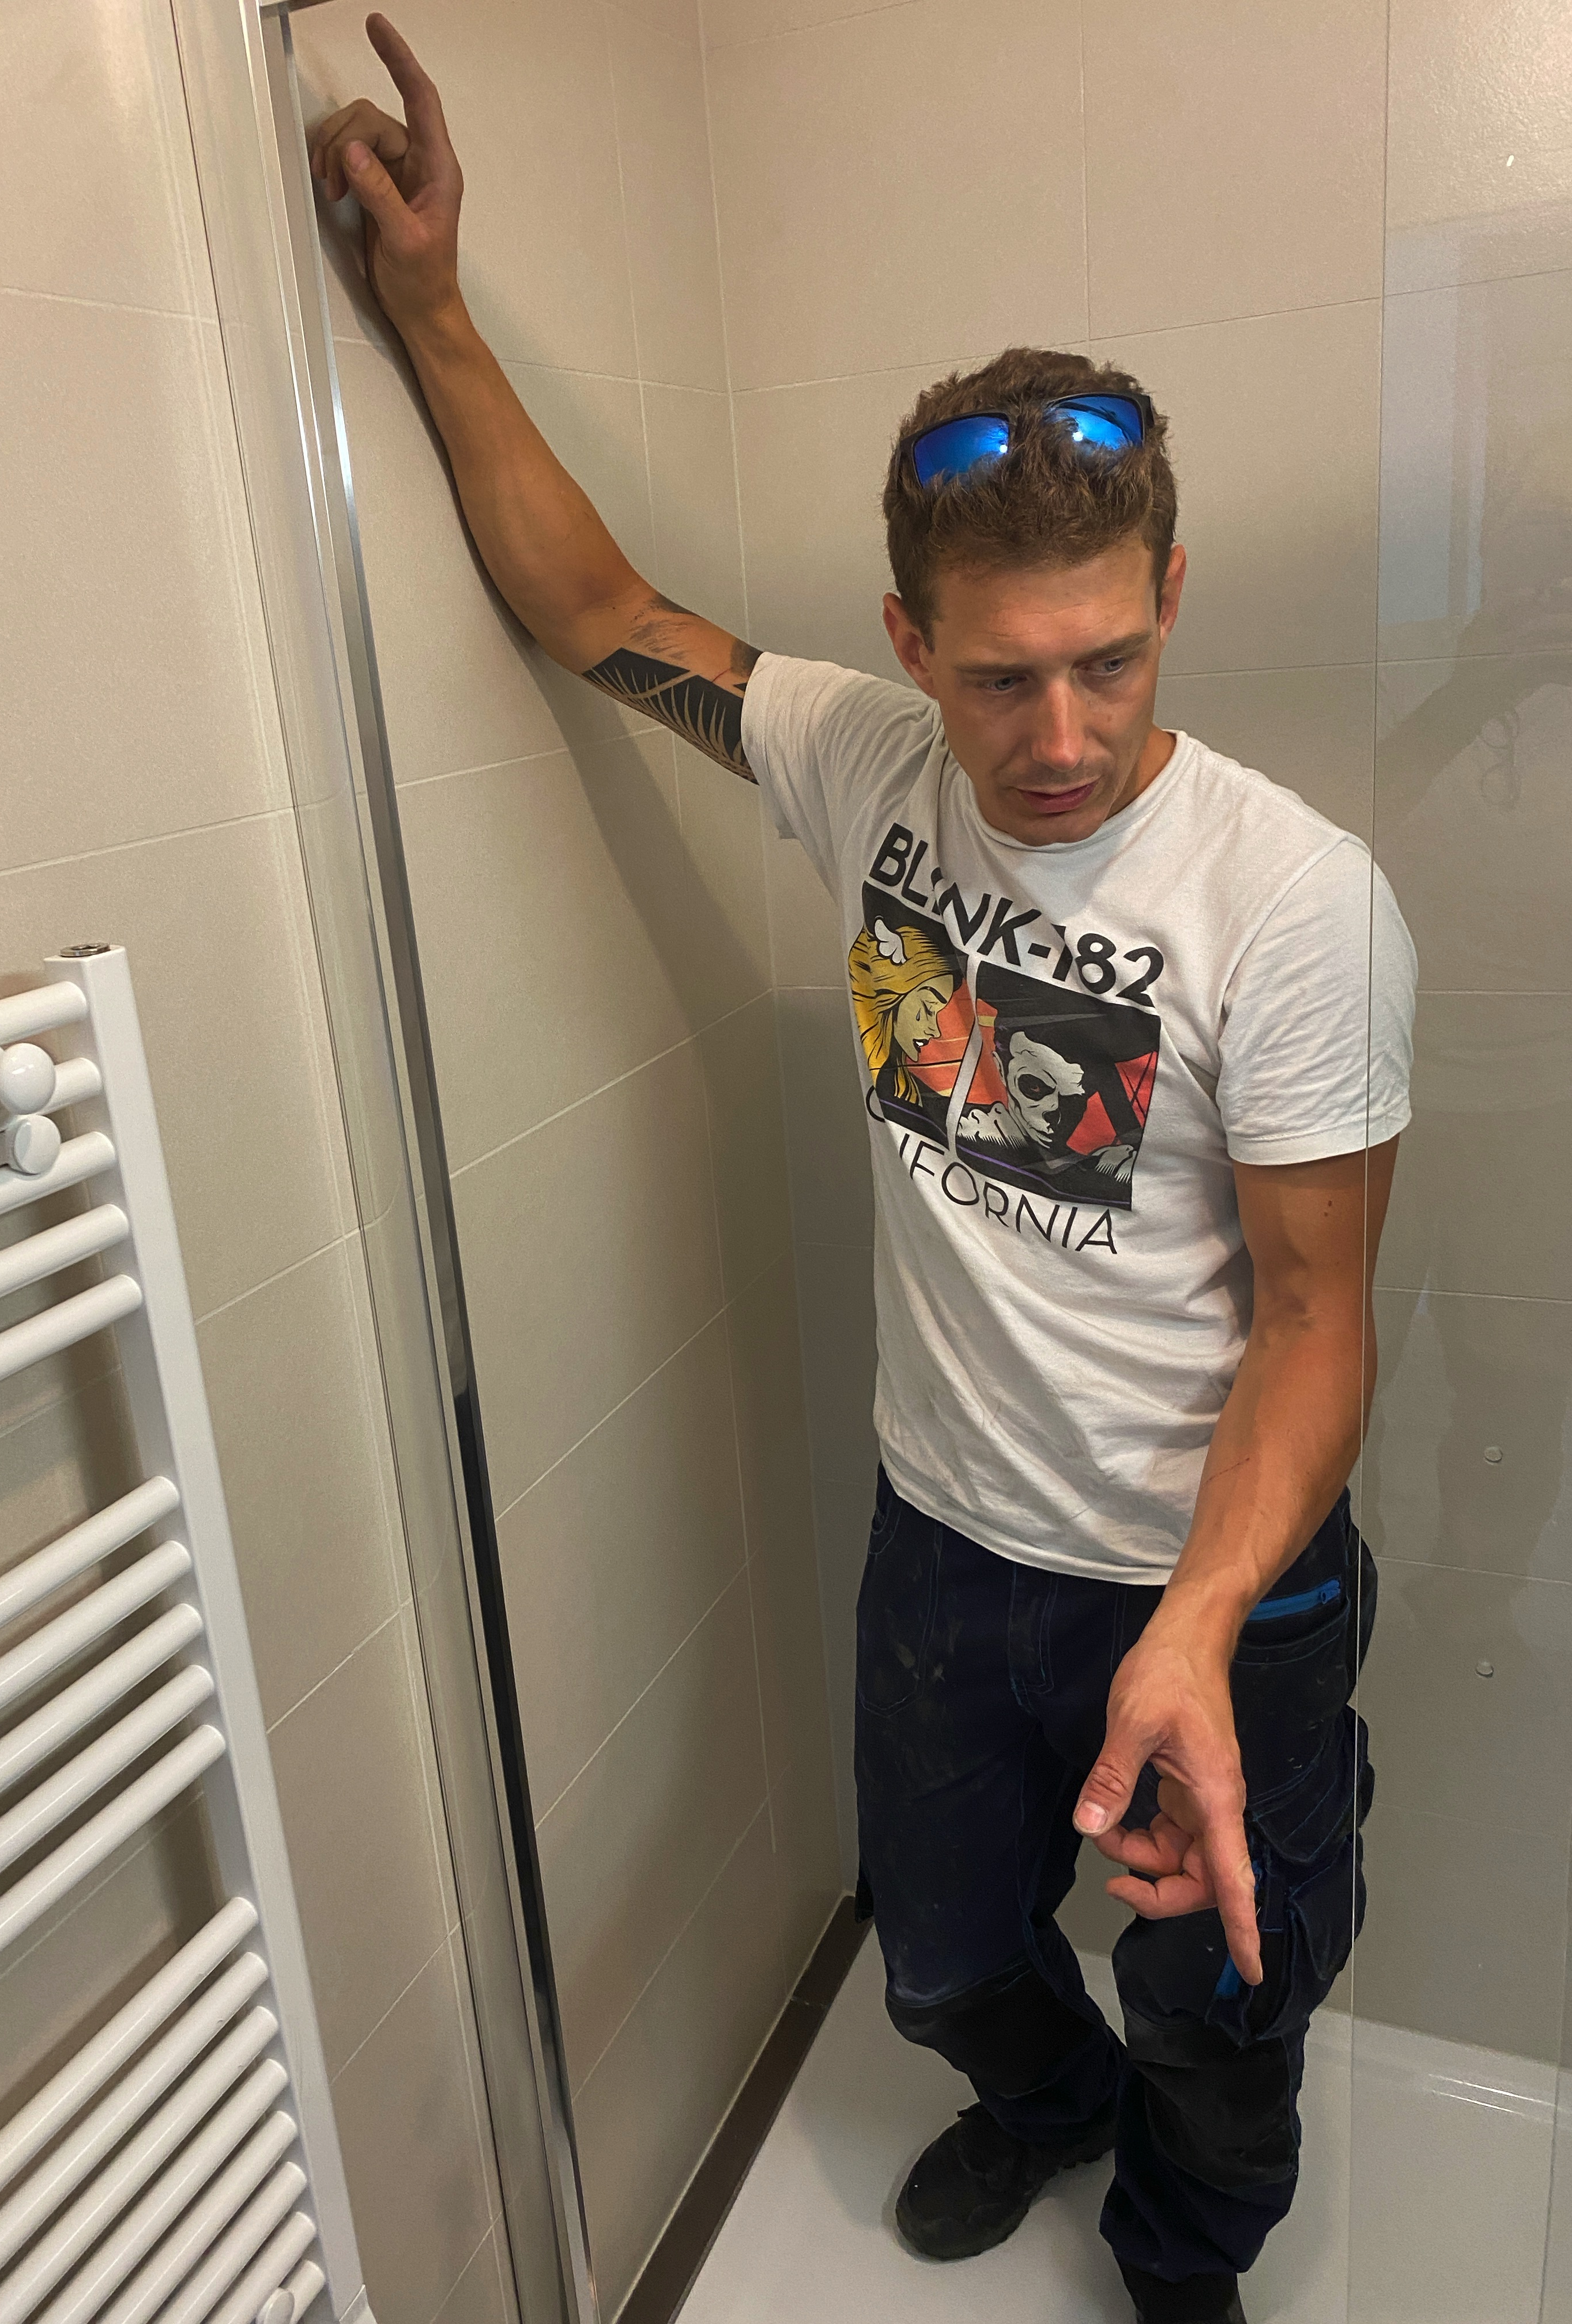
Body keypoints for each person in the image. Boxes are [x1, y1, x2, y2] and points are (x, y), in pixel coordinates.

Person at [308, 24, 1415, 2323]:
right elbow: (595, 611)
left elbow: (1320, 1329)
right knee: (934, 1954)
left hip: (1208, 1575)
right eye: (1001, 681)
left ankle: (1183, 2251)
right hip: (948, 1542)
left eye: (1109, 664)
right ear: (912, 644)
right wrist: (429, 310)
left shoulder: (1294, 902)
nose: (1061, 737)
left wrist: (1198, 1627)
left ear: (1172, 594)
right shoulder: (860, 761)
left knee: (1223, 2002)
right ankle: (1049, 2101)